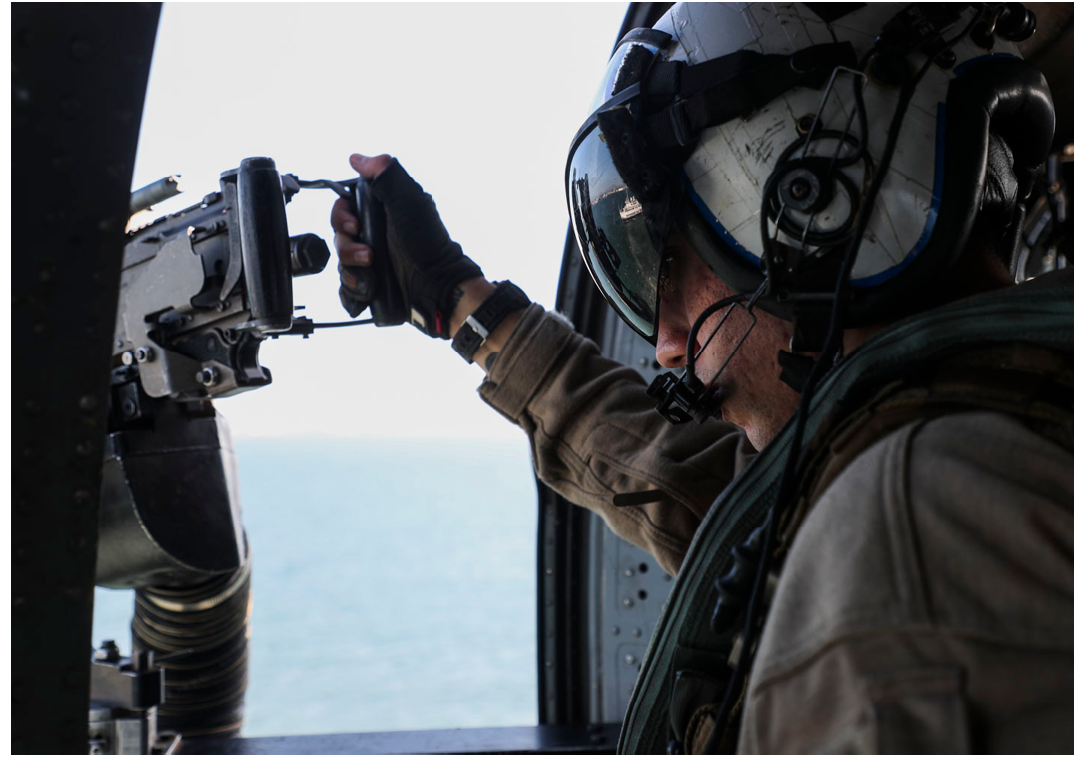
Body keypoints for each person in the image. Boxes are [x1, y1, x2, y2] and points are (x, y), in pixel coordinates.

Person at [331, 3, 1074, 753]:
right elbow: (722, 507)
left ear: (813, 212)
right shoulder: (959, 434)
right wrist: (460, 302)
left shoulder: (910, 530)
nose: (666, 344)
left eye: (670, 264)